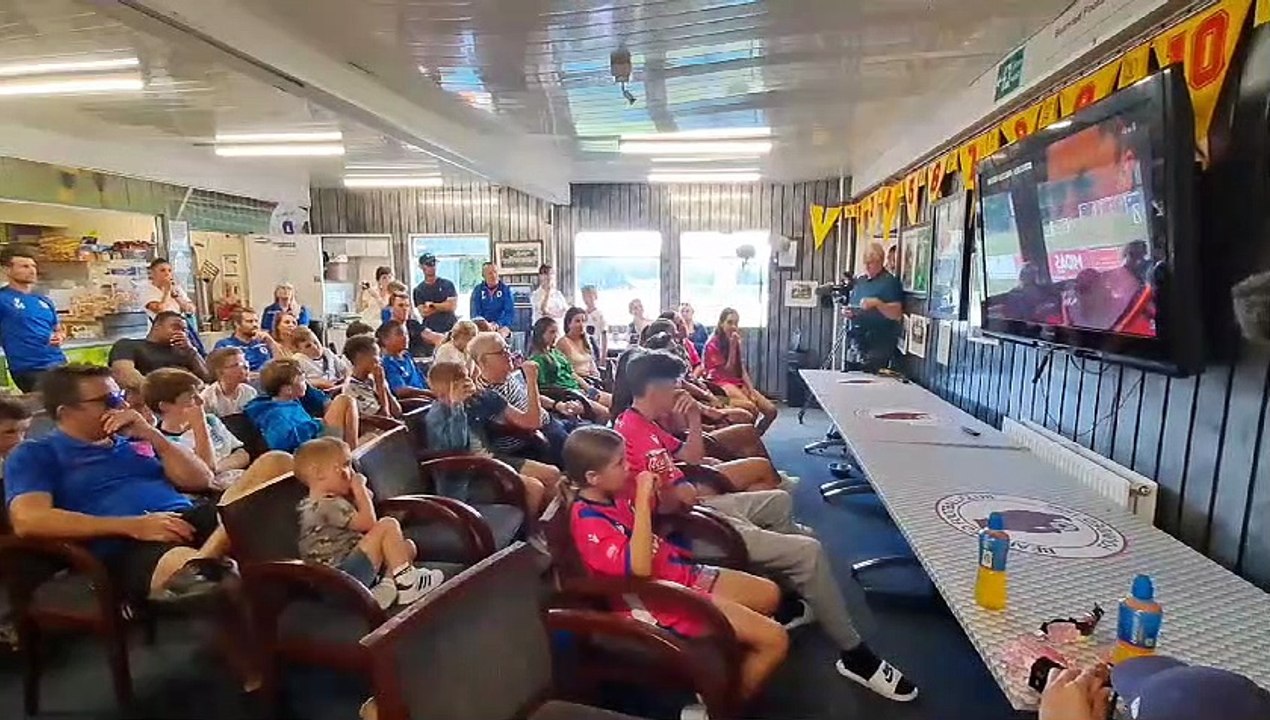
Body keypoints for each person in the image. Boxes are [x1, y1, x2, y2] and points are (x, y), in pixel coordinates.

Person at [614, 350, 917, 702]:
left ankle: (794, 594)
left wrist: (694, 421)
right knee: (808, 549)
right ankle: (855, 655)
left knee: (779, 501)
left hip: (695, 508)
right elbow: (670, 497)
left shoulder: (648, 424)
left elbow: (688, 464)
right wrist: (677, 490)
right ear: (657, 389)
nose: (681, 392)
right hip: (681, 531)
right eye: (676, 386)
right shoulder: (629, 433)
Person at [3, 364, 288, 605]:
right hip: (125, 544)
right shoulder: (35, 453)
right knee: (225, 581)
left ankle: (203, 561)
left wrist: (153, 435)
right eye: (109, 401)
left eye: (120, 397)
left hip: (185, 515)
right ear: (66, 412)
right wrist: (134, 526)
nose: (123, 406)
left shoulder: (134, 441)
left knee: (277, 463)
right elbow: (30, 520)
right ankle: (207, 569)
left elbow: (201, 480)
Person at [561, 426, 788, 707]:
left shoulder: (614, 492)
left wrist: (661, 486)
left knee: (770, 594)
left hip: (678, 574)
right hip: (658, 600)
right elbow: (639, 569)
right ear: (592, 478)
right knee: (775, 639)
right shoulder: (588, 522)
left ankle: (723, 665)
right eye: (619, 463)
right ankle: (721, 709)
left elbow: (669, 503)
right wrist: (643, 502)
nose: (629, 466)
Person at [295, 437, 444, 609]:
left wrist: (360, 493)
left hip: (351, 570)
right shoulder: (325, 506)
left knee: (407, 547)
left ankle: (388, 587)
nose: (350, 472)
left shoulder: (329, 501)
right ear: (318, 473)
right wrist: (358, 489)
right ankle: (408, 585)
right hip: (340, 579)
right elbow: (369, 523)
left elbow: (368, 502)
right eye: (344, 465)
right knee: (387, 524)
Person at [424, 361, 556, 515]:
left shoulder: (473, 401)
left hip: (490, 459)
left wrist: (477, 392)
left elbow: (520, 419)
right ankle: (528, 533)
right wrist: (457, 407)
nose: (467, 385)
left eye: (467, 379)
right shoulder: (437, 415)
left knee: (552, 474)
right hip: (467, 473)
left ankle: (548, 525)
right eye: (461, 383)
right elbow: (456, 447)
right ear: (443, 392)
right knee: (534, 487)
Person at [469, 331, 579, 466]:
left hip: (551, 420)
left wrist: (557, 405)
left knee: (591, 432)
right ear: (482, 361)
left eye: (508, 349)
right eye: (501, 352)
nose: (509, 355)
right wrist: (531, 380)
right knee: (588, 451)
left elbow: (530, 397)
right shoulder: (488, 395)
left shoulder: (507, 376)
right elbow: (533, 423)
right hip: (536, 438)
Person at [143, 368, 250, 491]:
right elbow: (206, 471)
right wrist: (199, 425)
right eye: (192, 397)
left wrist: (218, 469)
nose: (201, 401)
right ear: (165, 406)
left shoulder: (211, 420)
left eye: (199, 393)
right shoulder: (166, 444)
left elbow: (242, 454)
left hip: (240, 479)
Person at [244, 358, 360, 453]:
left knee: (371, 436)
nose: (306, 384)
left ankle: (351, 451)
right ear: (288, 389)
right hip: (310, 450)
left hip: (317, 439)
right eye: (303, 380)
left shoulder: (292, 401)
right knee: (344, 401)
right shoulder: (274, 413)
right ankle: (352, 454)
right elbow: (279, 443)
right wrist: (314, 424)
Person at [0, 246, 67, 391]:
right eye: (24, 266)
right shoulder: (2, 299)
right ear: (7, 270)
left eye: (33, 266)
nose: (31, 271)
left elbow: (58, 329)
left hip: (58, 363)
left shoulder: (43, 300)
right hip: (29, 369)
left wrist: (59, 336)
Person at [702, 308, 778, 435]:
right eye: (729, 322)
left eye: (736, 323)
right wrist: (732, 347)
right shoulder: (712, 343)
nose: (733, 327)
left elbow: (741, 368)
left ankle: (754, 437)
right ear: (721, 323)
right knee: (751, 409)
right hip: (719, 382)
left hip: (736, 381)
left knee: (771, 411)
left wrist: (751, 390)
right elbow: (728, 369)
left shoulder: (733, 339)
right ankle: (745, 439)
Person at [527, 317, 611, 422]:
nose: (555, 336)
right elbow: (545, 388)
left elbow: (571, 373)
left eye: (556, 332)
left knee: (616, 402)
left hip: (579, 390)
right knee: (605, 413)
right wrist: (574, 394)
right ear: (541, 334)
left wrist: (588, 388)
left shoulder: (555, 352)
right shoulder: (537, 359)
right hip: (568, 397)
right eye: (551, 332)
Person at [846, 242, 904, 371]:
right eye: (865, 262)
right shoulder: (860, 281)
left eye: (871, 262)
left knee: (871, 377)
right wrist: (850, 312)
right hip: (858, 338)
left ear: (881, 261)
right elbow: (854, 305)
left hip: (880, 341)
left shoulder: (890, 282)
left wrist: (878, 303)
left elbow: (897, 314)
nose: (867, 266)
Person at [109, 311, 209, 383]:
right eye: (176, 327)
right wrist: (157, 393)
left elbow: (207, 377)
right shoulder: (128, 345)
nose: (181, 332)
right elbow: (124, 374)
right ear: (157, 326)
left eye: (184, 330)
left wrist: (191, 350)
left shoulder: (185, 352)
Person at [342, 335, 402, 420]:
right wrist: (380, 386)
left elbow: (397, 412)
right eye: (376, 355)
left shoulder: (373, 379)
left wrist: (384, 386)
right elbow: (384, 418)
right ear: (360, 356)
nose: (380, 360)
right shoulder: (353, 389)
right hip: (374, 431)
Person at [411, 253, 458, 352]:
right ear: (422, 267)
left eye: (433, 263)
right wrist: (443, 305)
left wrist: (432, 305)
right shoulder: (418, 290)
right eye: (428, 264)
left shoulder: (447, 284)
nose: (432, 267)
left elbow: (452, 306)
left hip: (450, 327)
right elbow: (424, 312)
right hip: (431, 330)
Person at [375, 321, 432, 401]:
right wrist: (429, 393)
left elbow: (422, 379)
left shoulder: (407, 356)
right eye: (399, 334)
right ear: (385, 339)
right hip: (414, 403)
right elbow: (400, 391)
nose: (405, 338)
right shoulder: (388, 363)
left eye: (406, 334)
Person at [213, 306, 281, 373]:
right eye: (249, 321)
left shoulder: (264, 343)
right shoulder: (225, 345)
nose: (255, 325)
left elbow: (282, 364)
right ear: (237, 324)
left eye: (256, 321)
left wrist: (271, 341)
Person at [202, 347, 258, 417]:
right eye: (236, 365)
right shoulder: (207, 397)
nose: (245, 367)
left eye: (244, 363)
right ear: (219, 372)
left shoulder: (250, 392)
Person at [291, 326, 350, 391]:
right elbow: (295, 382)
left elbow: (345, 369)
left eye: (316, 342)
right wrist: (318, 383)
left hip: (336, 386)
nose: (315, 347)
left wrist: (347, 379)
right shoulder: (298, 360)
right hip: (317, 392)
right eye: (308, 346)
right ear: (298, 350)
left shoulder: (327, 352)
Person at [557, 307, 602, 381]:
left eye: (584, 321)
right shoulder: (563, 342)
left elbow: (591, 364)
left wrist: (596, 376)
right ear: (569, 323)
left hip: (591, 379)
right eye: (577, 321)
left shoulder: (587, 340)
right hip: (575, 382)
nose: (581, 324)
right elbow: (562, 370)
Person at [469, 262, 515, 336]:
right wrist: (485, 325)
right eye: (490, 273)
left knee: (502, 334)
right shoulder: (477, 290)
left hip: (501, 326)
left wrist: (498, 324)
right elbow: (474, 312)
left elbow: (509, 313)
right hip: (482, 327)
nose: (493, 275)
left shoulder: (506, 290)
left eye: (495, 272)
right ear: (483, 275)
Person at [384, 292, 432, 357]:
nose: (405, 309)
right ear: (391, 308)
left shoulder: (413, 324)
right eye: (400, 305)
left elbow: (429, 335)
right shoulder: (386, 330)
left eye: (407, 306)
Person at [579, 285, 607, 358]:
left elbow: (604, 336)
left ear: (595, 296)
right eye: (584, 296)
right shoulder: (582, 314)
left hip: (596, 349)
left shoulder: (600, 315)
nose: (587, 299)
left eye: (589, 296)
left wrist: (603, 356)